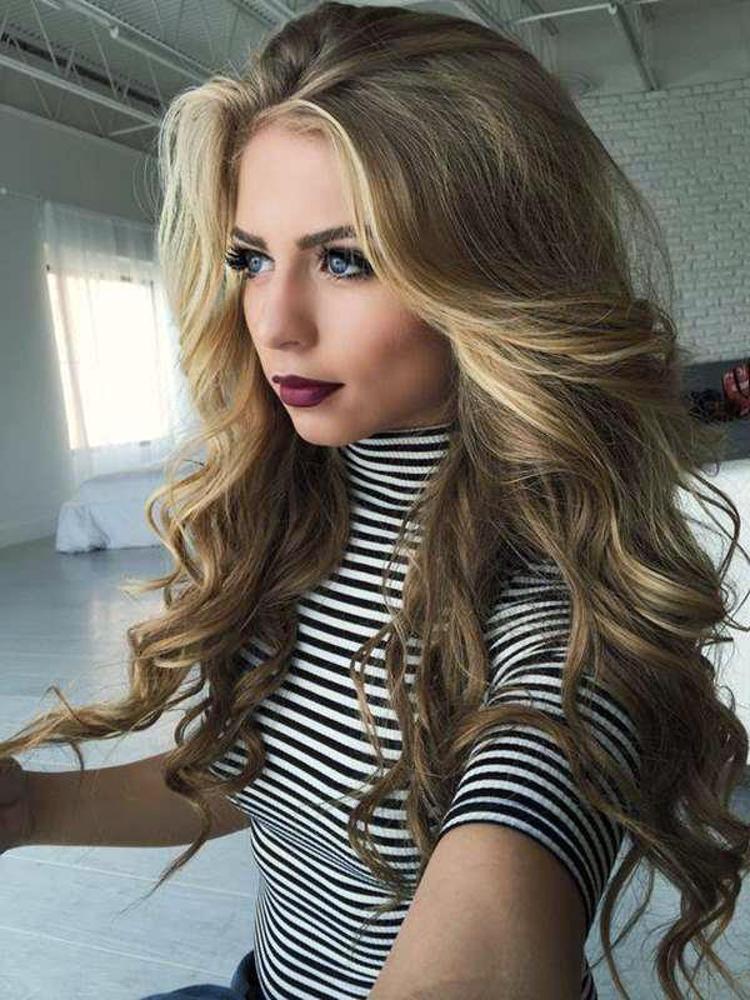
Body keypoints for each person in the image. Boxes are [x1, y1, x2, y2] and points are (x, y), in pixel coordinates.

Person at [2, 3, 749, 999]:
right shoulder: (300, 511)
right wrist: (31, 809)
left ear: (494, 276)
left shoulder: (562, 627)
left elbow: (519, 835)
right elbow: (264, 771)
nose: (275, 321)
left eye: (346, 259)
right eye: (251, 257)